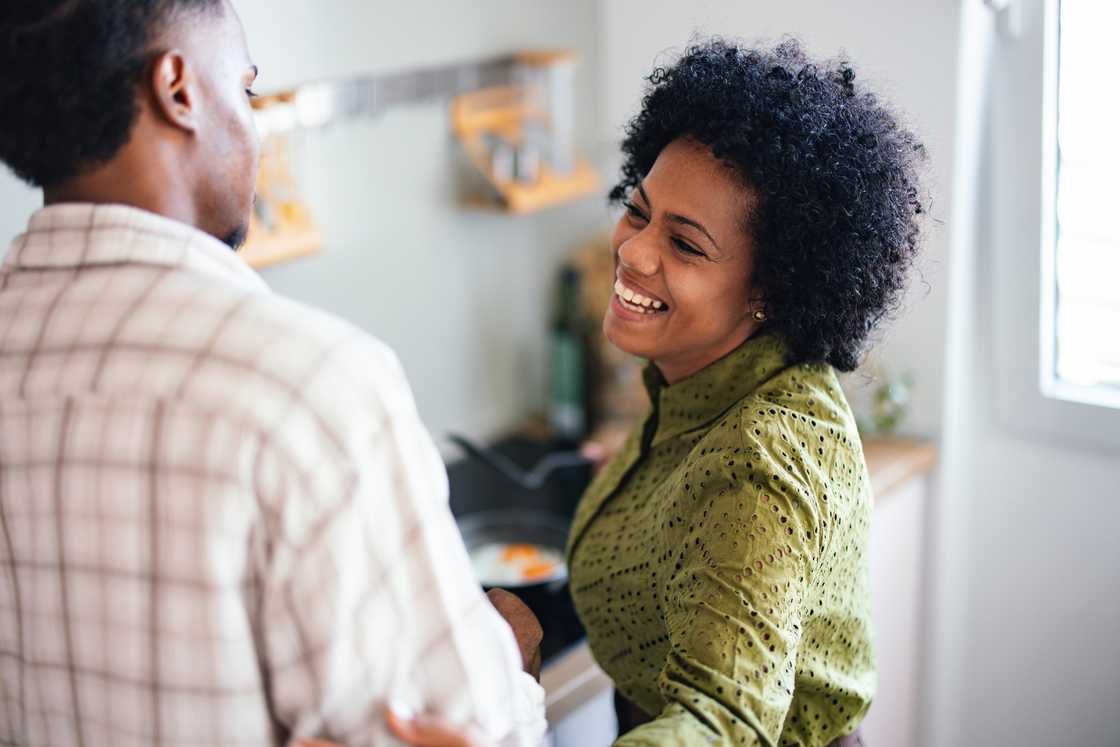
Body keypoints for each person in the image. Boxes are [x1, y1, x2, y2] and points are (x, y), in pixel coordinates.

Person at [0, 2, 545, 745]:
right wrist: (510, 672)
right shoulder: (309, 386)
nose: (253, 128)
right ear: (178, 88)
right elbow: (461, 728)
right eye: (248, 92)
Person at [563, 38, 924, 745]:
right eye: (639, 211)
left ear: (770, 288)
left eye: (687, 245)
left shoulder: (757, 459)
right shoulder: (714, 373)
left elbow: (721, 724)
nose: (633, 251)